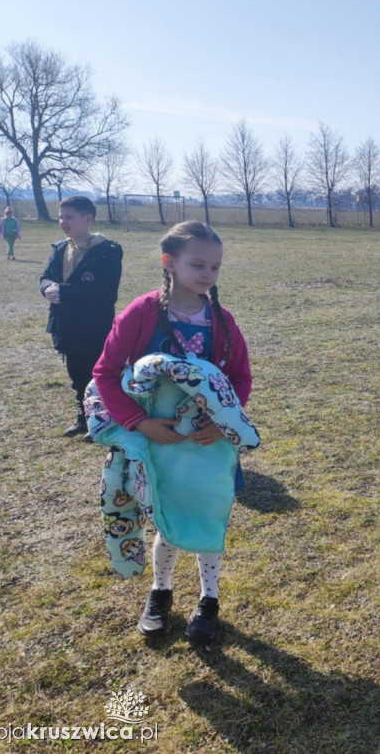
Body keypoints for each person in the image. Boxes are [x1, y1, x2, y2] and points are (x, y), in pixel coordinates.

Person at [92, 220, 252, 642]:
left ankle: (209, 599)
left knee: (208, 516)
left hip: (208, 444)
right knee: (167, 518)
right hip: (159, 442)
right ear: (169, 262)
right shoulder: (141, 313)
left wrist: (221, 424)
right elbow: (106, 374)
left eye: (215, 267)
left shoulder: (222, 320)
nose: (208, 275)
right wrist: (140, 423)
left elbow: (240, 378)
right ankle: (160, 592)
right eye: (198, 264)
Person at [39, 196, 122, 438]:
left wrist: (64, 291)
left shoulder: (107, 252)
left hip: (93, 327)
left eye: (69, 217)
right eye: (61, 217)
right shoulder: (60, 248)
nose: (63, 222)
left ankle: (104, 418)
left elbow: (106, 293)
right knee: (76, 375)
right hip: (66, 325)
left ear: (88, 219)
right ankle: (84, 418)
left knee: (96, 374)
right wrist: (46, 288)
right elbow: (45, 276)